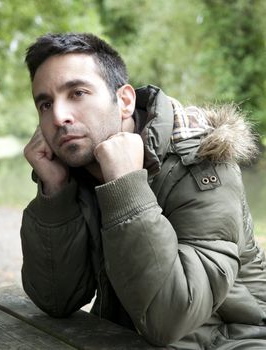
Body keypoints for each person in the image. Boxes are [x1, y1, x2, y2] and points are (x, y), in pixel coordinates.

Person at [20, 32, 266, 349]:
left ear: (124, 101)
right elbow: (55, 300)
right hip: (126, 336)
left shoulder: (204, 164)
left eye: (77, 93)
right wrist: (54, 192)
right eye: (45, 103)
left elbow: (168, 320)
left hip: (232, 340)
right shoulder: (76, 171)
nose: (58, 116)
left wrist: (125, 186)